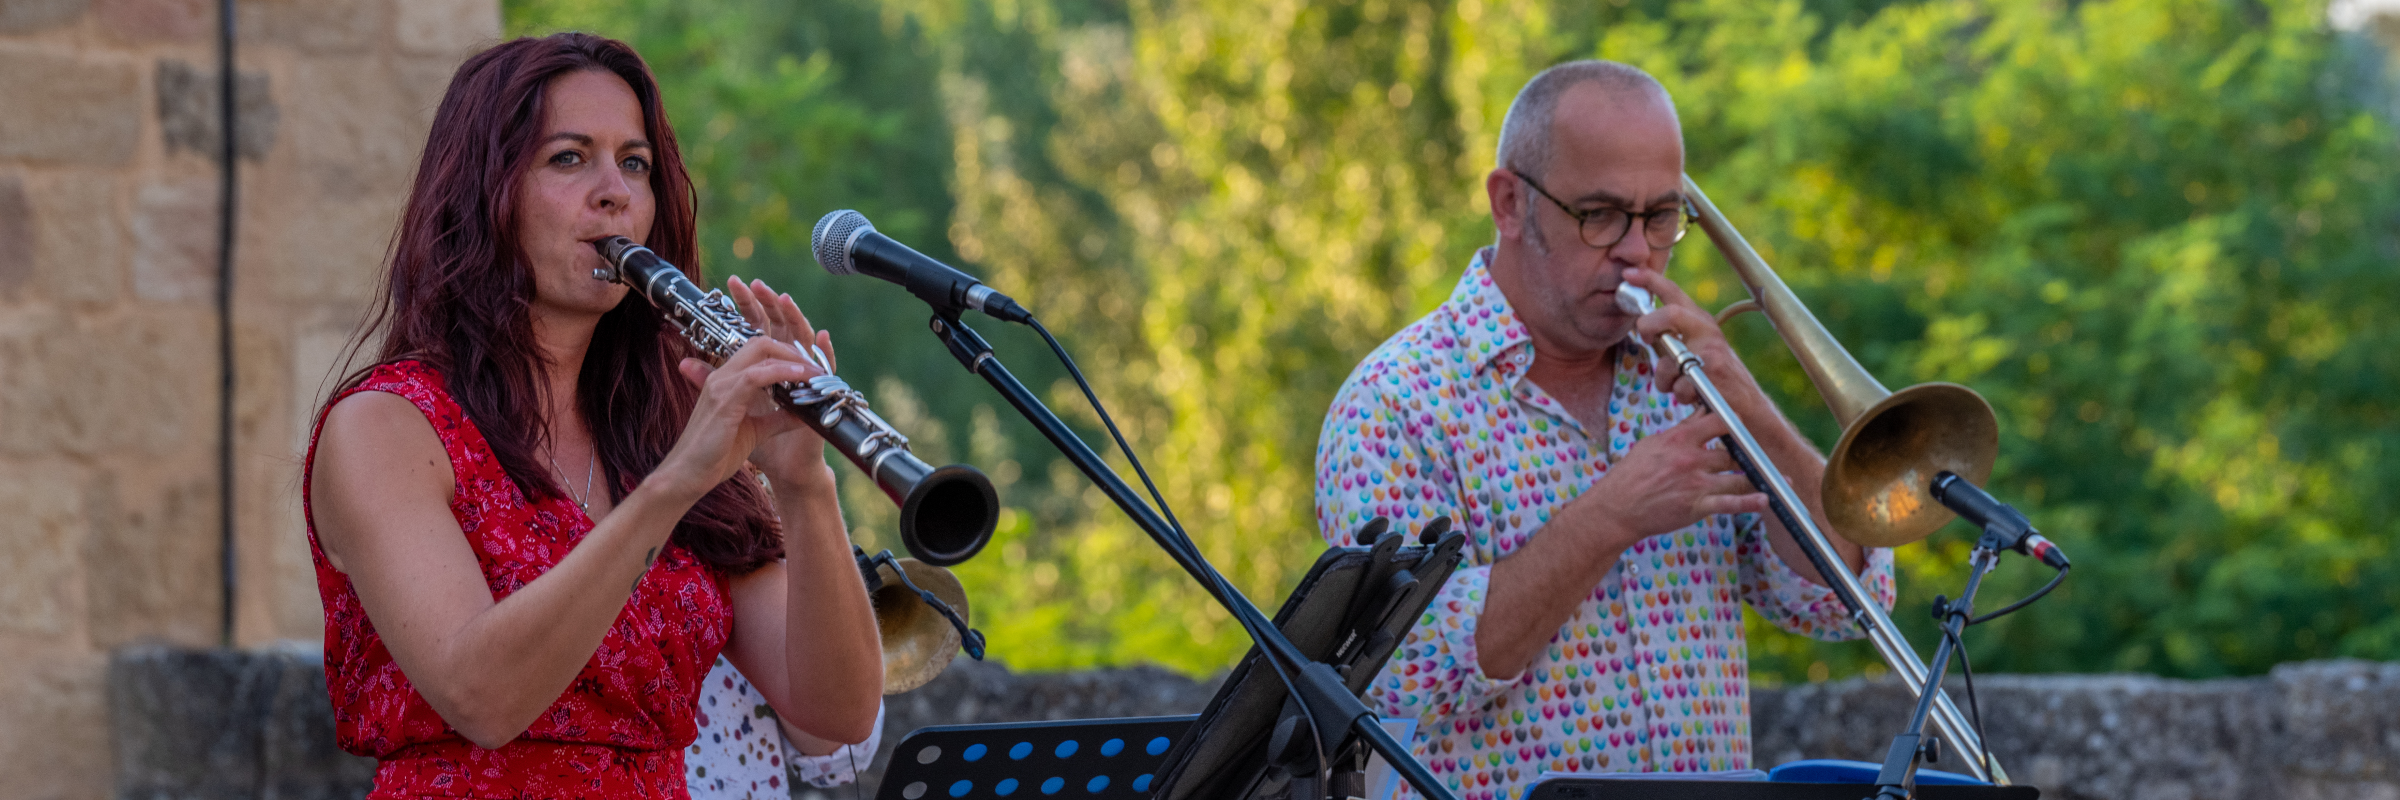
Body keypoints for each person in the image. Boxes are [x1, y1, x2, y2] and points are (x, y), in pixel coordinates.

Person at [303, 32, 882, 797]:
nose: (615, 192)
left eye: (634, 164)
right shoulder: (386, 426)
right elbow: (483, 698)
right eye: (569, 158)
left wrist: (804, 483)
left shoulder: (660, 433)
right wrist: (675, 484)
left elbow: (835, 712)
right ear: (485, 192)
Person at [1312, 60, 1897, 800]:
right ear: (1510, 204)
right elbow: (1410, 674)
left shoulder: (1684, 379)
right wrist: (1611, 516)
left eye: (1660, 217)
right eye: (1600, 214)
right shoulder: (1394, 405)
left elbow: (1838, 600)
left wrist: (1751, 409)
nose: (1636, 250)